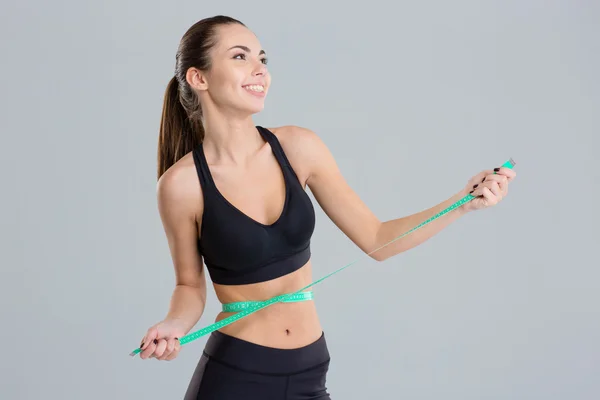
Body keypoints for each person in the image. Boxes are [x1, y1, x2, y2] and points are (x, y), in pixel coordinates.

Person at [136, 15, 517, 399]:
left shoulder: (299, 148)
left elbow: (377, 239)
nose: (260, 70)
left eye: (263, 59)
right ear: (198, 78)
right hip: (236, 375)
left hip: (309, 371)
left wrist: (462, 203)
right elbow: (189, 285)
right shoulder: (180, 186)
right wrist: (174, 324)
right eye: (240, 57)